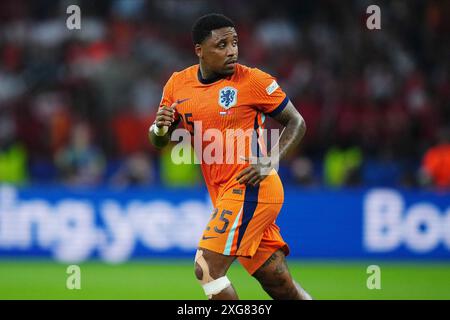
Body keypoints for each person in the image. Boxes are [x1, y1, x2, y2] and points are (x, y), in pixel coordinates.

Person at [149, 13, 311, 300]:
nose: (232, 50)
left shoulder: (253, 81)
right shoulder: (177, 85)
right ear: (199, 50)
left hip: (251, 186)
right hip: (223, 193)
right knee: (276, 279)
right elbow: (159, 140)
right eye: (221, 44)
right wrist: (160, 127)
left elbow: (296, 122)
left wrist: (271, 159)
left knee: (206, 267)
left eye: (234, 42)